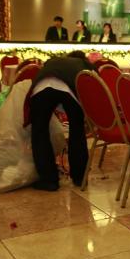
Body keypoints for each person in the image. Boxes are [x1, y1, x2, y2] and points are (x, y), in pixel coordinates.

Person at [26, 51, 95, 191]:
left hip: (42, 88)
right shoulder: (85, 65)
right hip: (70, 91)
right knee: (77, 130)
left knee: (40, 132)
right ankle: (79, 177)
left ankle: (48, 180)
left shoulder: (54, 60)